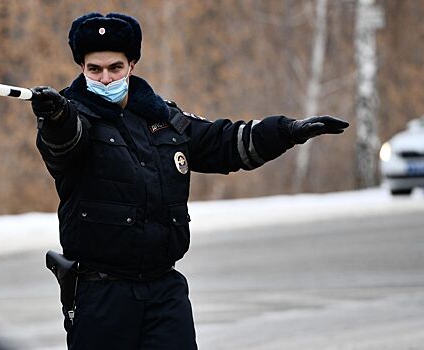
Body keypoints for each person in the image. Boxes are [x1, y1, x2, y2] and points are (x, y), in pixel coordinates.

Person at [30, 12, 348, 350]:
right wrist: (56, 116)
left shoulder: (163, 119)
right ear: (82, 68)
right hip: (103, 295)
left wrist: (286, 131)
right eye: (95, 69)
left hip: (164, 293)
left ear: (132, 65)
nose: (106, 78)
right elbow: (63, 143)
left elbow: (224, 143)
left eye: (115, 67)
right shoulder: (72, 118)